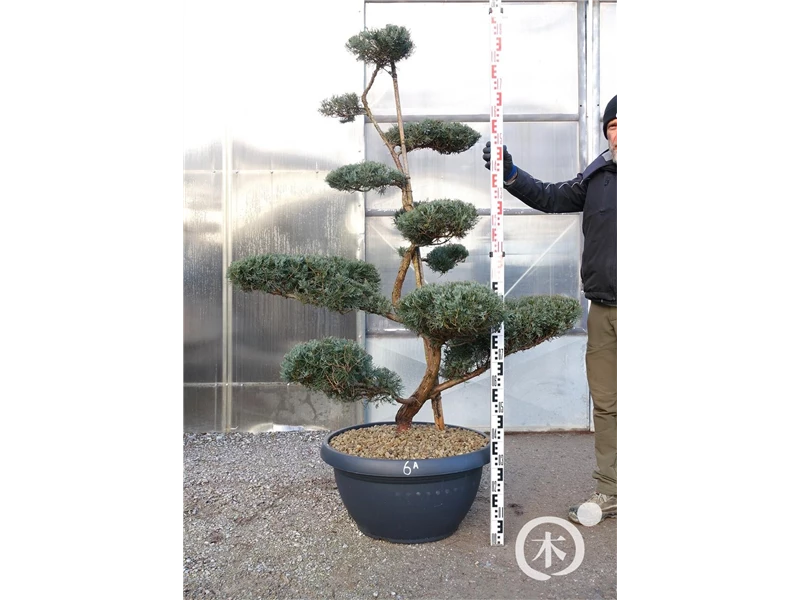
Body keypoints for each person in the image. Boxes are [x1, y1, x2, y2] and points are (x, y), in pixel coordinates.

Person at [482, 96, 619, 524]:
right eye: (614, 125)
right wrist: (510, 173)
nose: (620, 132)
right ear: (606, 133)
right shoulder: (595, 178)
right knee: (606, 405)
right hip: (603, 311)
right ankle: (610, 492)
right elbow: (549, 197)